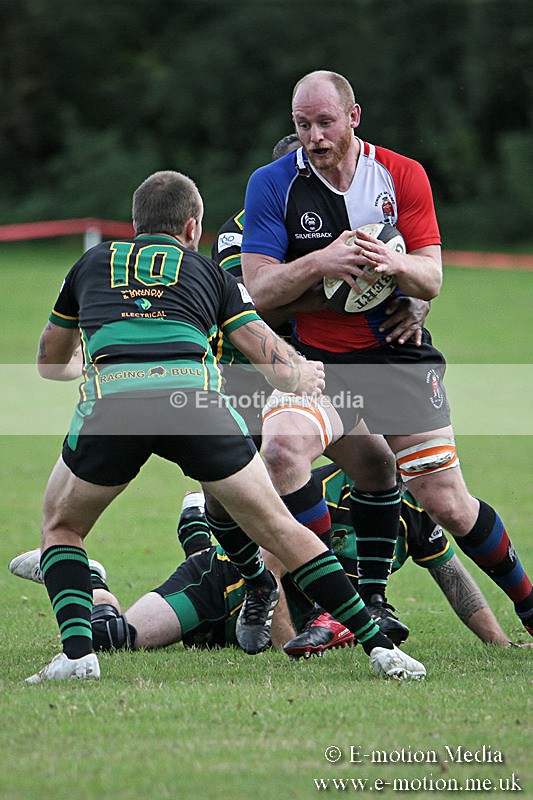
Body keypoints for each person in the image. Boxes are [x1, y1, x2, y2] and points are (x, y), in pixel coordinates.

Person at [26, 168, 426, 683]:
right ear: (193, 229)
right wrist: (305, 372)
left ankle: (79, 657)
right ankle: (381, 650)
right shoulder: (211, 274)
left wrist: (89, 365)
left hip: (115, 408)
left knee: (62, 527)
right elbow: (276, 366)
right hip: (194, 405)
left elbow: (48, 360)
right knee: (281, 529)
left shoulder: (88, 264)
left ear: (134, 224)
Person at [240, 69, 533, 640]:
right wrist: (322, 262)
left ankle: (527, 601)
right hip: (317, 364)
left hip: (397, 359)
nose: (315, 137)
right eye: (303, 126)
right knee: (281, 449)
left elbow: (432, 278)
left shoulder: (402, 175)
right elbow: (260, 289)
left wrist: (395, 266)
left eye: (325, 123)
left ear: (353, 117)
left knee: (445, 501)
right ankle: (342, 605)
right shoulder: (272, 183)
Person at [211, 132, 430, 645]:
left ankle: (353, 604)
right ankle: (261, 590)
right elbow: (250, 306)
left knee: (381, 466)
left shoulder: (350, 221)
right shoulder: (238, 233)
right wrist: (326, 292)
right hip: (249, 378)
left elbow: (402, 268)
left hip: (324, 370)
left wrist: (412, 300)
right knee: (227, 501)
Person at [10, 474, 522, 655]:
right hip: (226, 586)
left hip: (246, 628)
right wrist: (285, 648)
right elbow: (273, 574)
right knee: (112, 639)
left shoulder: (413, 504)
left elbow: (453, 576)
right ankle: (90, 580)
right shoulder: (319, 493)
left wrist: (500, 644)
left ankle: (196, 521)